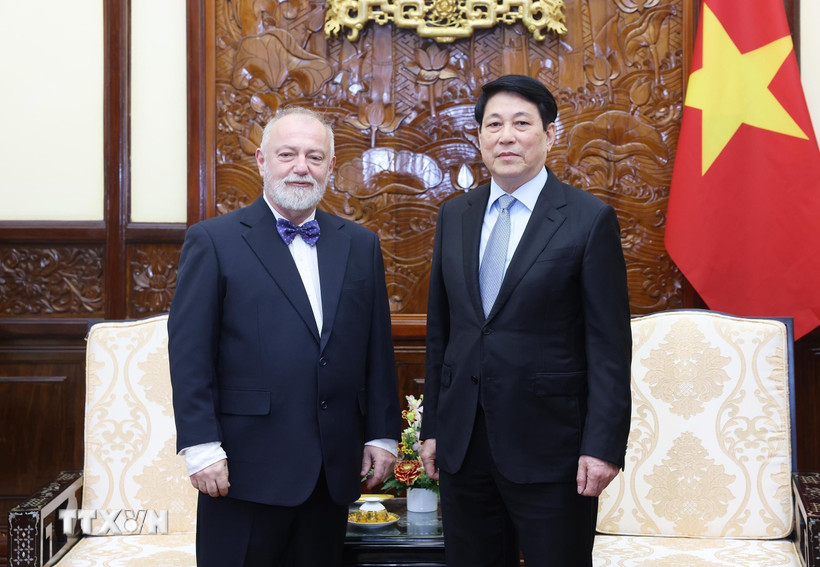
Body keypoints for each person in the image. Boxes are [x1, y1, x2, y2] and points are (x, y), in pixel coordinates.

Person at [168, 106, 401, 567]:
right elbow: (190, 351)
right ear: (261, 160)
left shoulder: (360, 244)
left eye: (315, 157)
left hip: (331, 472)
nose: (301, 167)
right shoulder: (213, 241)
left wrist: (382, 434)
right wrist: (200, 447)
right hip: (242, 470)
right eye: (288, 154)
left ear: (331, 167)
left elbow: (377, 348)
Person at [419, 75, 632, 567]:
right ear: (478, 136)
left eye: (521, 123)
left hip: (551, 449)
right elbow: (441, 334)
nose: (506, 136)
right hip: (463, 446)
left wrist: (602, 446)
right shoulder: (455, 215)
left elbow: (609, 346)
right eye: (493, 124)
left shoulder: (587, 219)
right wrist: (433, 427)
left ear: (550, 134)